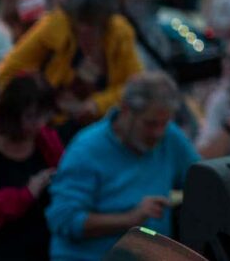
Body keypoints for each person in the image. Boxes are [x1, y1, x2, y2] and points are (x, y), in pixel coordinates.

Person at [45, 72, 198, 260]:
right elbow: (64, 220)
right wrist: (130, 219)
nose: (158, 133)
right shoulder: (87, 149)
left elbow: (201, 180)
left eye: (164, 123)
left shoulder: (169, 137)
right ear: (126, 110)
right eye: (150, 124)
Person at [0, 0, 143, 130]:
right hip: (51, 125)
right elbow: (7, 72)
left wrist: (96, 105)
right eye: (80, 20)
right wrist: (39, 107)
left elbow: (136, 87)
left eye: (93, 21)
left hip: (105, 124)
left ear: (107, 18)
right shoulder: (54, 27)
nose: (85, 28)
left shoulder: (120, 33)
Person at [0, 75, 62, 261]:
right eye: (31, 116)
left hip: (46, 246)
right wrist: (26, 194)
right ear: (12, 113)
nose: (39, 124)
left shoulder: (46, 140)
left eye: (44, 115)